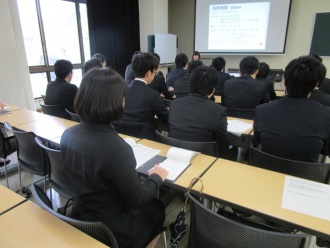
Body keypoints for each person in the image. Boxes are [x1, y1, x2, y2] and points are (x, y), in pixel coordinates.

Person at [60, 68, 168, 248]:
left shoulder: (68, 134)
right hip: (111, 229)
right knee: (156, 208)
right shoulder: (117, 149)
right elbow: (137, 199)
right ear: (115, 102)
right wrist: (157, 176)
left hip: (79, 215)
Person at [254, 55, 330, 162]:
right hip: (305, 175)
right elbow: (325, 150)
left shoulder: (262, 110)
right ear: (315, 86)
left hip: (267, 171)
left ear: (284, 83)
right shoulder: (326, 115)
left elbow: (258, 140)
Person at [169, 65, 229, 157]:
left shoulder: (174, 104)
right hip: (204, 159)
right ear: (213, 89)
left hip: (175, 155)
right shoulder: (218, 111)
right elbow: (223, 145)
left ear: (191, 84)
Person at [123, 52, 169, 126]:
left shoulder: (122, 91)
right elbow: (166, 118)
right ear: (148, 73)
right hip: (145, 136)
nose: (155, 74)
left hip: (124, 135)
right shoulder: (153, 95)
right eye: (154, 72)